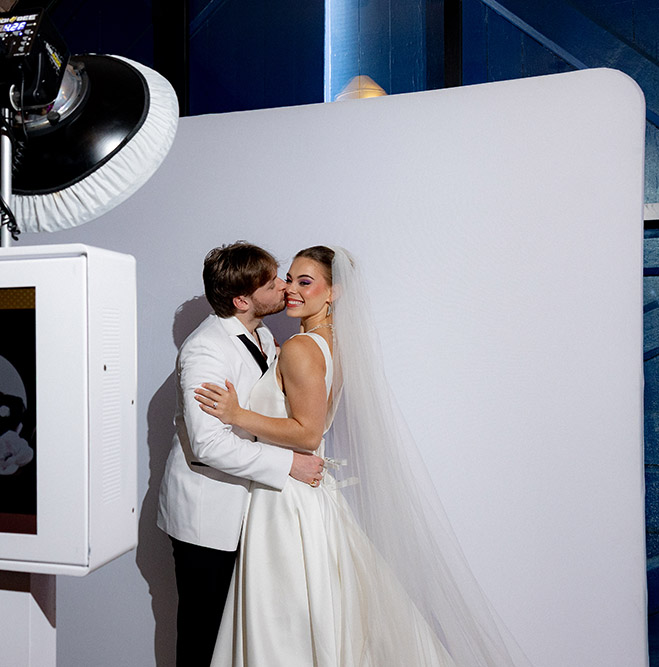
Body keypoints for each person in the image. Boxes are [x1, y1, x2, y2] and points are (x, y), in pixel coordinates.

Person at [196, 246, 528, 666]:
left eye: (305, 281)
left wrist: (237, 413)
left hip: (286, 499)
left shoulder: (301, 348)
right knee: (315, 612)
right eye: (289, 279)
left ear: (332, 293)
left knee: (283, 622)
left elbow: (309, 431)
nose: (289, 290)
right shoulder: (330, 342)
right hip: (302, 490)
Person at [157, 242, 326, 667]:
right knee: (203, 634)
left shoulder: (264, 334)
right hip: (207, 515)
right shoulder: (204, 351)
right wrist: (289, 464)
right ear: (242, 300)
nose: (284, 286)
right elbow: (209, 444)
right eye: (273, 283)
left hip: (251, 511)